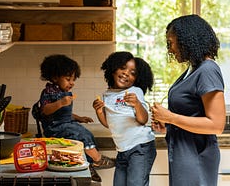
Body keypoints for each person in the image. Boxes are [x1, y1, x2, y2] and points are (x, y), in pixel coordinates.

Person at [151, 14, 226, 186]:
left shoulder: (207, 70)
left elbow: (217, 125)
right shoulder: (192, 69)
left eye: (171, 43)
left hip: (196, 157)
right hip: (183, 155)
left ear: (187, 40)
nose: (170, 49)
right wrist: (168, 125)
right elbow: (191, 115)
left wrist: (170, 118)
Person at [37, 54, 115, 182]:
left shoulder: (63, 92)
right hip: (55, 128)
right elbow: (45, 110)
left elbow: (63, 113)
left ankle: (90, 163)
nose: (72, 83)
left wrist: (79, 118)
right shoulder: (49, 92)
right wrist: (60, 103)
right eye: (68, 79)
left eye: (73, 79)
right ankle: (97, 159)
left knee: (87, 134)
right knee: (81, 135)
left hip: (65, 124)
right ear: (55, 77)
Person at [92, 51, 156, 186]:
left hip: (140, 147)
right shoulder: (107, 94)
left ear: (137, 78)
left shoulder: (135, 92)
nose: (126, 73)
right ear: (113, 69)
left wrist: (137, 104)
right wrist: (99, 111)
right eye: (122, 68)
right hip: (122, 150)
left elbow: (143, 119)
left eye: (133, 73)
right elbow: (108, 123)